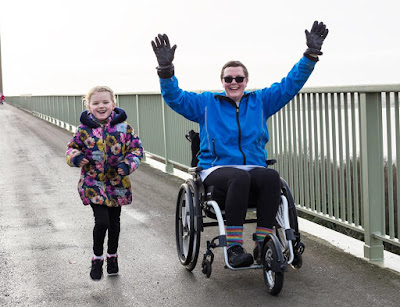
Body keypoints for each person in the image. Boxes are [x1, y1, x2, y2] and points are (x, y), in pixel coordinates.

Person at [151, 21, 328, 268]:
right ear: (222, 81)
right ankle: (234, 246)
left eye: (239, 78)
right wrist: (166, 69)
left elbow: (290, 85)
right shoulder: (206, 103)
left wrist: (310, 55)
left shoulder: (262, 101)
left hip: (253, 167)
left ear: (246, 80)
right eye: (228, 78)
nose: (234, 82)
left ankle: (263, 241)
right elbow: (175, 98)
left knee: (271, 177)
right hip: (217, 170)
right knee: (239, 177)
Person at [66, 86, 143, 280]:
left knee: (114, 224)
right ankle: (97, 259)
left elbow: (136, 150)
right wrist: (76, 158)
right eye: (96, 103)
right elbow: (71, 149)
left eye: (105, 102)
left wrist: (127, 165)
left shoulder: (125, 128)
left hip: (117, 184)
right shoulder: (84, 130)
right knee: (102, 222)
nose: (101, 106)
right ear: (89, 106)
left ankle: (112, 257)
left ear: (113, 104)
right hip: (94, 184)